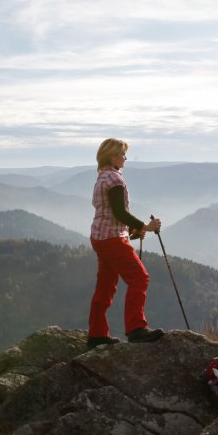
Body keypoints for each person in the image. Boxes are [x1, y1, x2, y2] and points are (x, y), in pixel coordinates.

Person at [87, 137, 165, 348]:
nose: (125, 158)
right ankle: (136, 329)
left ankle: (96, 334)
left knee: (105, 286)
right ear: (112, 156)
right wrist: (145, 226)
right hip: (112, 239)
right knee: (140, 278)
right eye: (122, 154)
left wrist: (132, 230)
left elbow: (109, 213)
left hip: (101, 237)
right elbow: (120, 212)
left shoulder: (102, 177)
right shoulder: (115, 180)